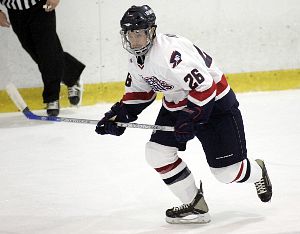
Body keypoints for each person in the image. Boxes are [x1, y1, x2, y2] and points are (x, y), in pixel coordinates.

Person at [95, 5, 272, 224]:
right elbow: (141, 92)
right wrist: (119, 116)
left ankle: (257, 170)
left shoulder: (169, 53)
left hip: (216, 105)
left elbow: (206, 87)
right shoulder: (136, 60)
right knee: (157, 153)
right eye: (130, 34)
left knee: (227, 174)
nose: (135, 40)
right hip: (179, 103)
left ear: (151, 31)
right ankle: (196, 206)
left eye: (139, 33)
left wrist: (191, 118)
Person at [0, 0, 85, 116]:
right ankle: (71, 75)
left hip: (40, 6)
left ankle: (52, 98)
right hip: (15, 12)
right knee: (40, 54)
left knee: (48, 51)